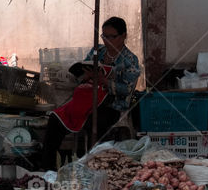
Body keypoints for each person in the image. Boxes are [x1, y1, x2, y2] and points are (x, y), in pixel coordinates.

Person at [37, 17, 141, 170]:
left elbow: (127, 90)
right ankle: (48, 169)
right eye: (104, 36)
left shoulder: (130, 60)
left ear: (123, 36)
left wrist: (104, 81)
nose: (107, 40)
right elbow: (82, 72)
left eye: (112, 36)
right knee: (55, 118)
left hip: (112, 105)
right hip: (85, 100)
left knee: (96, 121)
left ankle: (96, 167)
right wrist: (84, 75)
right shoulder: (97, 51)